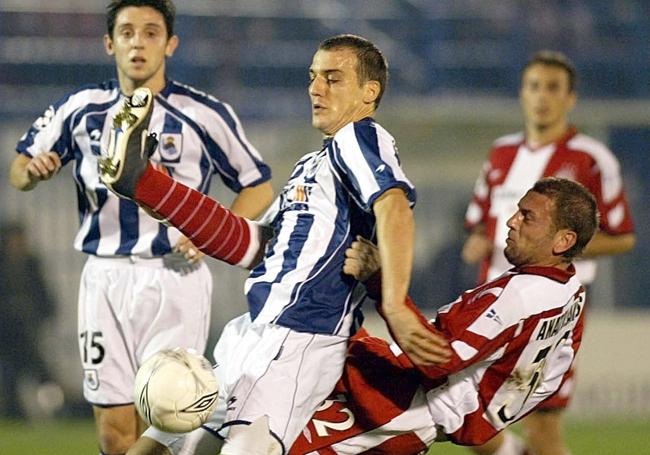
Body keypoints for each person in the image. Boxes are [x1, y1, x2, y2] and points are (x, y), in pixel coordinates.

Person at [100, 34, 448, 454]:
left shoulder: (359, 138)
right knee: (160, 445)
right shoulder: (313, 164)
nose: (315, 89)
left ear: (369, 92)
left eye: (333, 79)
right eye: (313, 77)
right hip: (254, 330)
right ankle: (142, 179)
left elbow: (394, 207)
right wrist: (154, 192)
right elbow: (252, 245)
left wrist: (393, 303)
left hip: (302, 337)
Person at [8, 1, 273, 453]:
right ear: (110, 43)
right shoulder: (81, 108)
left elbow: (258, 187)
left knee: (171, 415)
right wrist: (34, 171)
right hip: (103, 277)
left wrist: (210, 234)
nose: (138, 42)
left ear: (170, 44)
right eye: (127, 32)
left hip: (174, 275)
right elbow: (18, 169)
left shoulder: (205, 114)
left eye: (151, 32)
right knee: (114, 432)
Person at [288, 177, 598, 454]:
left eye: (527, 217)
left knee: (270, 437)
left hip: (398, 409)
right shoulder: (570, 290)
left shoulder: (520, 296)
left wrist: (380, 280)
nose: (511, 221)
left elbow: (439, 359)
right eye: (518, 210)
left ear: (563, 240)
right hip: (412, 418)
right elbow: (552, 374)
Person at [461, 51, 636, 455]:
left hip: (550, 313)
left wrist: (562, 246)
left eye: (553, 88)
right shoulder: (501, 154)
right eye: (534, 86)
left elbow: (623, 236)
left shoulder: (590, 159)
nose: (542, 96)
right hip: (494, 305)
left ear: (570, 98)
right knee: (464, 420)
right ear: (522, 94)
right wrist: (480, 240)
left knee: (543, 430)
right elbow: (481, 218)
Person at [0, 221, 57, 419]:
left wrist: (33, 314)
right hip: (5, 334)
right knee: (10, 376)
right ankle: (13, 411)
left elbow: (45, 298)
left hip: (28, 333)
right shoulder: (3, 265)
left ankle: (54, 410)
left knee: (41, 374)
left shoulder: (32, 264)